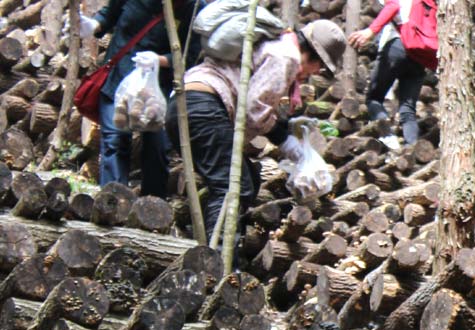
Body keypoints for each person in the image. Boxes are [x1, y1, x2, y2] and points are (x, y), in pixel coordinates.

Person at [169, 20, 346, 240]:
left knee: (248, 179)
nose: (316, 72)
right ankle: (218, 264)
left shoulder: (276, 44)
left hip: (186, 105)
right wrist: (286, 142)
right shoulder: (287, 56)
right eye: (320, 67)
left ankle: (215, 246)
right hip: (204, 107)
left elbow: (255, 99)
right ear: (312, 56)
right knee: (232, 188)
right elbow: (254, 110)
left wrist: (285, 126)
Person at [74, 0, 200, 197]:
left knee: (156, 149)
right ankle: (112, 202)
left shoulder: (192, 8)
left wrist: (158, 60)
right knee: (114, 141)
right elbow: (109, 15)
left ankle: (153, 206)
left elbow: (188, 58)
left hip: (157, 90)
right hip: (118, 78)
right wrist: (91, 25)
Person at [347, 0, 429, 148]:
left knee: (373, 99)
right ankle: (411, 148)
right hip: (419, 53)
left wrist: (370, 31)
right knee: (408, 108)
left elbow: (393, 6)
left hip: (396, 46)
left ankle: (388, 136)